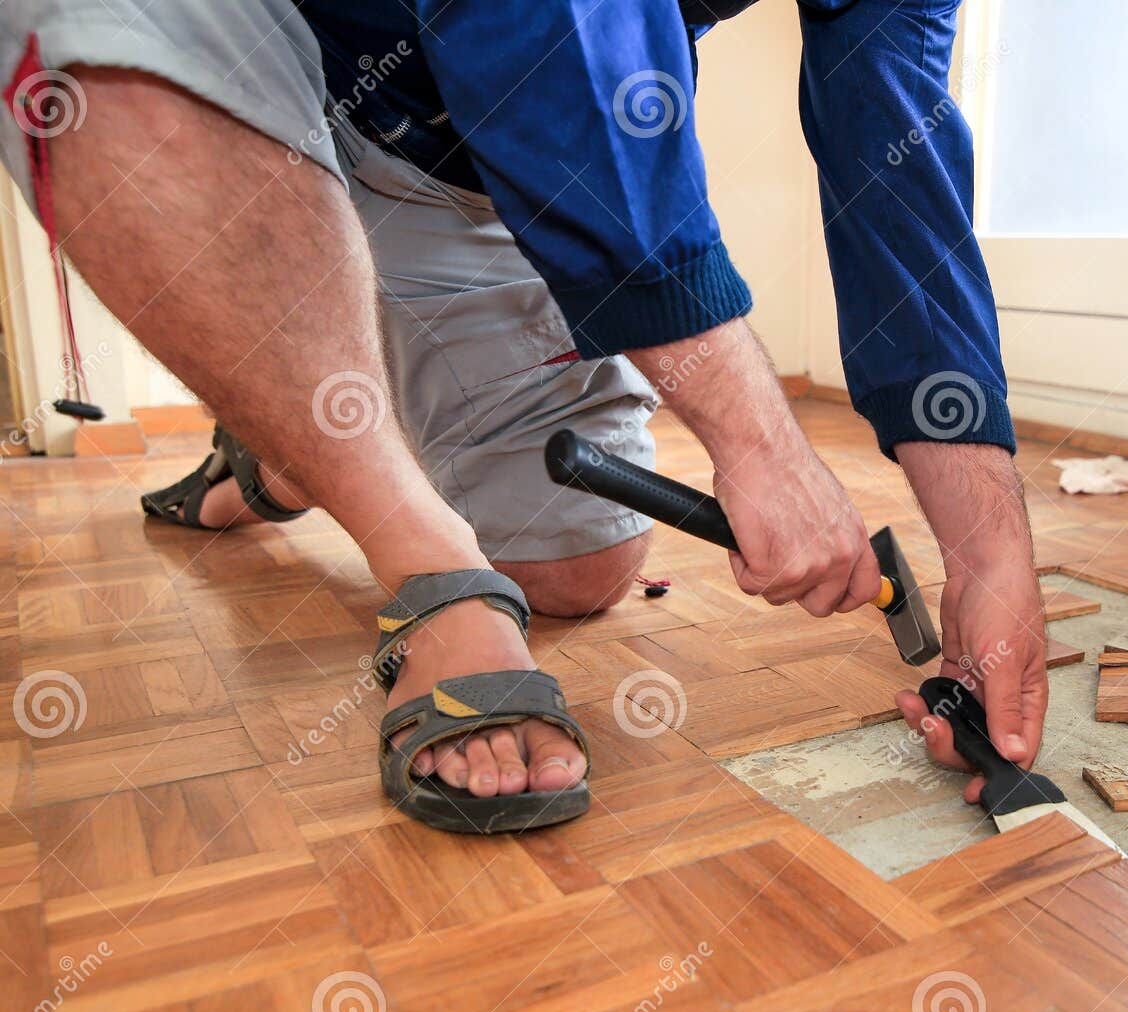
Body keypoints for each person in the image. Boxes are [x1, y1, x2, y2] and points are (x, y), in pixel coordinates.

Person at [11, 0, 1044, 830]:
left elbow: (898, 155)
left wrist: (991, 557)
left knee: (577, 568)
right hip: (257, 59)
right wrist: (755, 442)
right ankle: (419, 553)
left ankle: (288, 444)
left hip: (473, 169)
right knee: (87, 32)